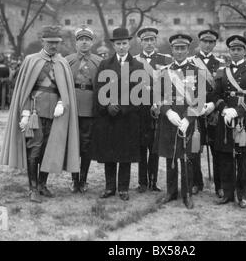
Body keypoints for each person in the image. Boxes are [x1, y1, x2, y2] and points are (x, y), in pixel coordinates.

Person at [0, 25, 80, 203]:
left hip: (55, 113)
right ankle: (33, 187)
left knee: (47, 149)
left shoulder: (62, 62)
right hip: (35, 112)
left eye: (56, 43)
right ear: (42, 41)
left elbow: (64, 89)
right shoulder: (31, 60)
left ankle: (43, 184)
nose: (53, 46)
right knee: (34, 149)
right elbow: (24, 89)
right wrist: (26, 112)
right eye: (50, 42)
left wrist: (62, 102)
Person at [210, 35, 246, 209]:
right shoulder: (221, 71)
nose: (235, 52)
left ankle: (242, 195)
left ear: (245, 51)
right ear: (229, 51)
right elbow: (215, 94)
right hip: (226, 119)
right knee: (225, 158)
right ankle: (227, 193)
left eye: (239, 49)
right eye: (232, 49)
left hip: (243, 121)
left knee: (242, 160)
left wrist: (238, 111)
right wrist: (224, 108)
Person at [91, 27, 143, 201]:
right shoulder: (104, 65)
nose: (121, 47)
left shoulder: (137, 65)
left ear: (129, 44)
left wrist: (122, 106)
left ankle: (123, 188)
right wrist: (107, 107)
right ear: (113, 45)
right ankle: (109, 187)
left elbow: (139, 93)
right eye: (118, 43)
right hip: (109, 118)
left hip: (128, 117)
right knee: (109, 154)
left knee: (125, 154)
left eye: (124, 43)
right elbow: (99, 90)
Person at [156, 34, 201, 209]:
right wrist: (167, 112)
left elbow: (201, 99)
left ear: (188, 50)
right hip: (170, 119)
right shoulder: (164, 71)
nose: (180, 51)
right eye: (177, 48)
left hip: (188, 120)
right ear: (172, 50)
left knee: (187, 158)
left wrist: (189, 119)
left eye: (183, 48)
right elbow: (158, 96)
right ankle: (171, 192)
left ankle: (187, 193)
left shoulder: (197, 71)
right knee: (171, 157)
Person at [134, 27, 172, 193]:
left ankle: (153, 181)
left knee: (155, 147)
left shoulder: (165, 60)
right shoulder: (134, 60)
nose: (149, 43)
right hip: (140, 110)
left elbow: (170, 86)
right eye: (145, 40)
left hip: (158, 109)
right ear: (140, 42)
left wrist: (161, 104)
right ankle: (142, 182)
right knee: (141, 147)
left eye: (152, 40)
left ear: (156, 41)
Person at [66, 26, 103, 193]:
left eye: (87, 39)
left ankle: (83, 179)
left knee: (86, 144)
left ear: (92, 42)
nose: (84, 42)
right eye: (81, 39)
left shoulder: (99, 62)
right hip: (72, 104)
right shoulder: (67, 60)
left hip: (90, 105)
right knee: (73, 142)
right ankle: (74, 180)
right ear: (76, 42)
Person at [189, 29, 224, 197]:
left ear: (215, 43)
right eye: (204, 41)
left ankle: (219, 185)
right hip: (195, 110)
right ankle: (196, 182)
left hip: (213, 111)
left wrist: (212, 105)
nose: (208, 44)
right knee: (195, 149)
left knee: (217, 150)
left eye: (211, 42)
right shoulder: (190, 62)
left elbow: (223, 90)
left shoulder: (221, 63)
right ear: (199, 42)